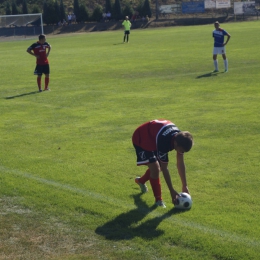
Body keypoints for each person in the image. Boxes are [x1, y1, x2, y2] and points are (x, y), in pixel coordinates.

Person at [132, 119, 193, 208]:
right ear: (175, 143)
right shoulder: (164, 142)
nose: (181, 152)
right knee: (156, 168)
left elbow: (180, 163)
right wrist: (172, 191)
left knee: (159, 165)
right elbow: (165, 169)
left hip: (154, 136)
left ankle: (141, 181)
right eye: (181, 150)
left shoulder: (180, 138)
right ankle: (158, 200)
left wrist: (185, 185)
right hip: (142, 137)